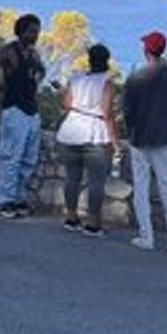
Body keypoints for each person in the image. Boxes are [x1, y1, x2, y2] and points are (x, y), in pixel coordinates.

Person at [119, 31, 167, 252]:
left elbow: (127, 111)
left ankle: (146, 236)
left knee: (141, 187)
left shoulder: (135, 78)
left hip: (139, 138)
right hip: (166, 137)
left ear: (146, 50)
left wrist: (131, 131)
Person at [0, 14, 46, 218]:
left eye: (37, 31)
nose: (35, 35)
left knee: (28, 158)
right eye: (32, 31)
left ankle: (18, 197)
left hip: (31, 110)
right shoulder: (8, 51)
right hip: (14, 109)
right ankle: (3, 200)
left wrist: (36, 81)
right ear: (21, 31)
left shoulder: (34, 55)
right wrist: (5, 90)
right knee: (11, 156)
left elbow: (41, 71)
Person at [55, 43, 117, 237]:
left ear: (89, 60)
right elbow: (107, 113)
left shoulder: (76, 78)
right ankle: (92, 223)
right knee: (96, 181)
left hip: (71, 130)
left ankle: (71, 217)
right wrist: (114, 140)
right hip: (94, 133)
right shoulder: (106, 82)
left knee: (72, 177)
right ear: (106, 61)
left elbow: (66, 104)